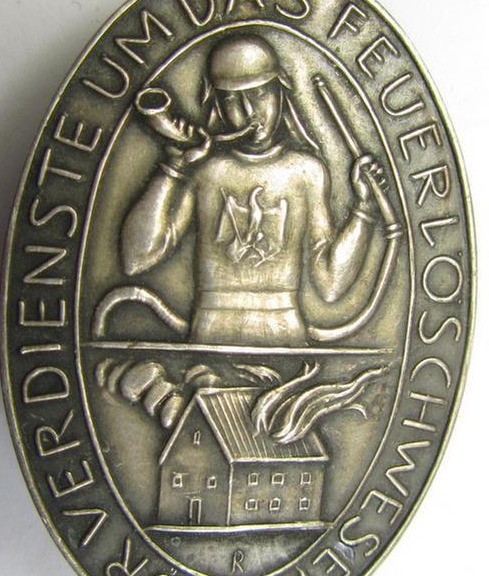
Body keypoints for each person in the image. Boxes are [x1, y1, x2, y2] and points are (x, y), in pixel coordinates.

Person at [121, 34, 386, 346]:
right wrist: (173, 167)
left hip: (285, 338)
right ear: (218, 105)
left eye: (260, 94)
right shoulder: (206, 171)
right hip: (209, 338)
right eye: (232, 100)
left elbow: (330, 285)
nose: (249, 112)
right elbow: (136, 258)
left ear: (280, 93)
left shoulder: (306, 172)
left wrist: (364, 209)